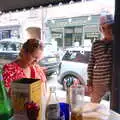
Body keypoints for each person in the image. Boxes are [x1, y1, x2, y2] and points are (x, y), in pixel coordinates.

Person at [87, 14, 114, 103]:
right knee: (94, 105)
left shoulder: (116, 44)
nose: (107, 30)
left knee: (115, 107)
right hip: (98, 81)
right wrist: (89, 83)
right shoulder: (96, 44)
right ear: (101, 30)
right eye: (103, 28)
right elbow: (91, 65)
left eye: (110, 27)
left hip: (114, 81)